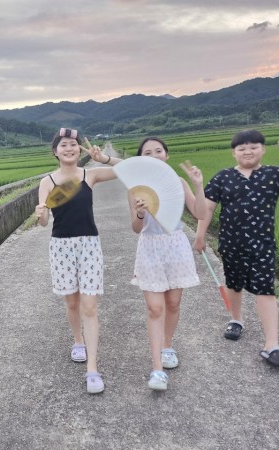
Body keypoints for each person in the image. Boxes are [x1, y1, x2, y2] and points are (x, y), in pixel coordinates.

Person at [194, 130, 279, 371]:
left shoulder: (274, 174)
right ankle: (236, 320)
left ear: (263, 149)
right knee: (234, 285)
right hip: (231, 244)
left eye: (253, 147)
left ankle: (272, 345)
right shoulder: (223, 177)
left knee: (266, 290)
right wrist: (200, 236)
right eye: (241, 148)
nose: (247, 151)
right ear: (234, 153)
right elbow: (207, 208)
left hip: (263, 246)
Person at [35, 128, 121, 394]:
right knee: (71, 302)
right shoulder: (48, 181)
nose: (69, 148)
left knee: (90, 306)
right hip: (61, 246)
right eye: (63, 145)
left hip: (89, 245)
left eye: (73, 144)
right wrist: (41, 213)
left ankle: (92, 369)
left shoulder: (89, 175)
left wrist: (104, 159)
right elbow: (44, 221)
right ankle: (78, 340)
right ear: (55, 151)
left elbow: (127, 170)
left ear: (79, 149)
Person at [128, 137, 206, 391]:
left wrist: (198, 185)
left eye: (158, 151)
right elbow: (136, 228)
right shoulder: (136, 188)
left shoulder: (178, 182)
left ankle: (167, 346)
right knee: (154, 308)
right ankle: (157, 369)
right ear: (141, 159)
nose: (154, 155)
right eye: (147, 153)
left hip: (175, 245)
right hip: (150, 247)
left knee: (173, 303)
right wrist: (140, 213)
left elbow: (199, 212)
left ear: (166, 155)